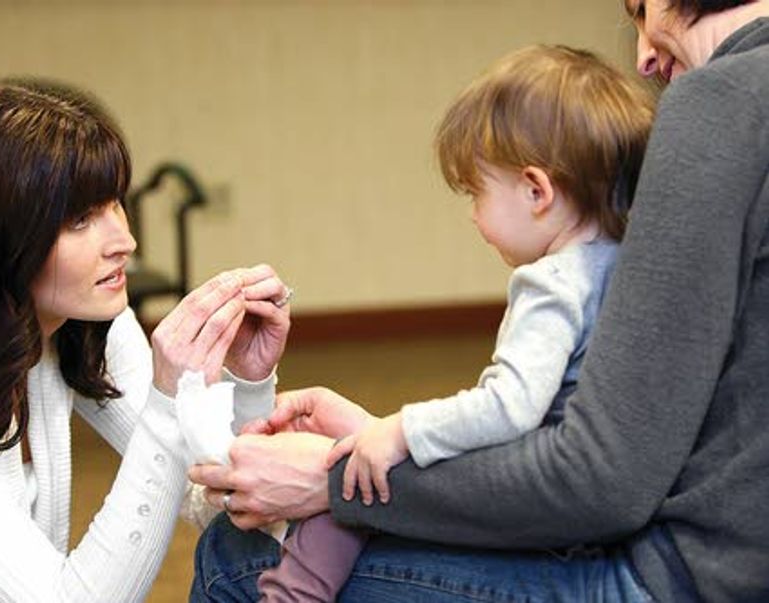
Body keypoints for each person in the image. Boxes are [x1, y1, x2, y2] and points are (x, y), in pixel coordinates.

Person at [188, 0, 769, 600]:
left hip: (681, 576)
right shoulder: (618, 256)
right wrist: (380, 437)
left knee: (235, 559)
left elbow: (586, 472)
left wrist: (341, 474)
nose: (643, 55)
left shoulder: (718, 106)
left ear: (537, 189)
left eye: (642, 8)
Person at [252, 44, 655, 603]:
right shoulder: (629, 260)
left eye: (476, 192)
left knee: (356, 470)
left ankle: (291, 593)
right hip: (590, 520)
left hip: (545, 522)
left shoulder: (552, 283)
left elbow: (512, 405)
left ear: (536, 192)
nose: (472, 215)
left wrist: (397, 430)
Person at [0, 77, 291, 602]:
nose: (125, 243)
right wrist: (166, 403)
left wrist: (247, 382)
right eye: (81, 219)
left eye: (115, 204)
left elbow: (218, 499)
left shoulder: (84, 321)